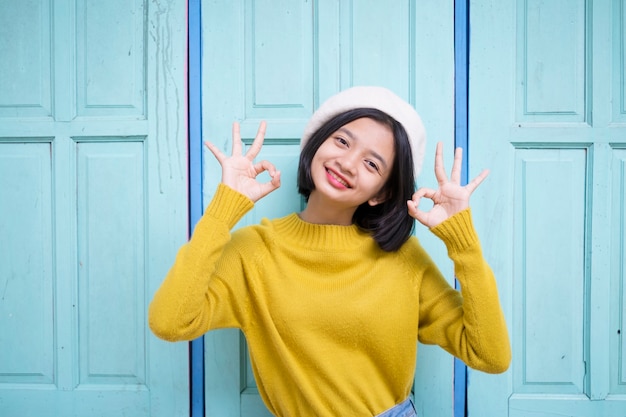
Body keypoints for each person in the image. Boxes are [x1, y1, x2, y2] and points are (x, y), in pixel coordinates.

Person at [149, 86, 511, 417]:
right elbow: (170, 321)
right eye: (342, 141)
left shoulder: (403, 258)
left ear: (381, 193)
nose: (348, 163)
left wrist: (463, 245)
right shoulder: (253, 252)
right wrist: (223, 210)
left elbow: (490, 356)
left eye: (372, 164)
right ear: (318, 143)